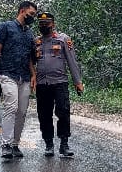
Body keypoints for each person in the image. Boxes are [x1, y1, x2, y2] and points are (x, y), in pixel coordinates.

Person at [0, 1, 38, 161]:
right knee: (11, 107)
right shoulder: (5, 27)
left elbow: (29, 58)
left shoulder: (29, 34)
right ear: (22, 11)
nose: (32, 18)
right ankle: (6, 144)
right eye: (31, 14)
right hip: (7, 74)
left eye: (34, 15)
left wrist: (33, 74)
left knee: (22, 111)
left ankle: (15, 144)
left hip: (25, 76)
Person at [33, 11, 84, 157]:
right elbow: (31, 62)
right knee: (44, 114)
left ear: (53, 24)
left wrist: (77, 82)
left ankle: (64, 144)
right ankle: (49, 144)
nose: (44, 26)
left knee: (63, 112)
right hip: (42, 84)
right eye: (41, 24)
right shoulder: (36, 42)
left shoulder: (63, 39)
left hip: (60, 83)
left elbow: (72, 61)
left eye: (47, 24)